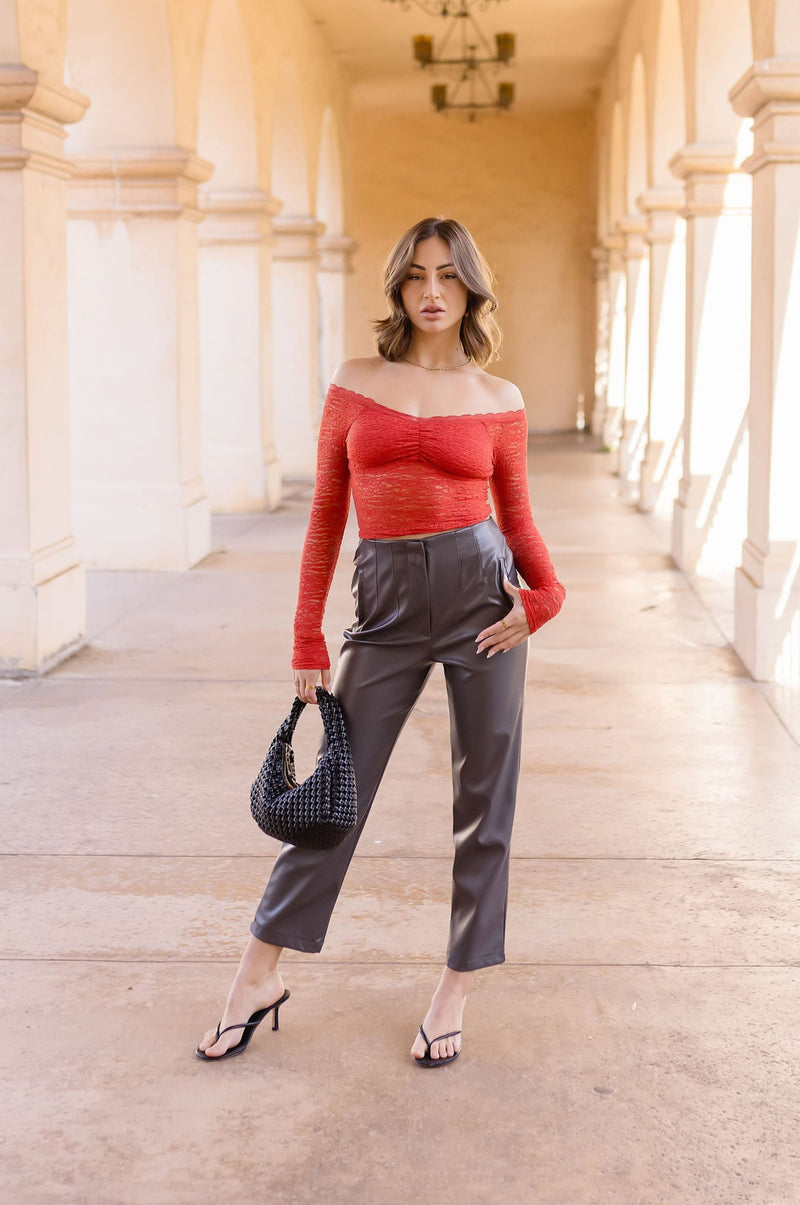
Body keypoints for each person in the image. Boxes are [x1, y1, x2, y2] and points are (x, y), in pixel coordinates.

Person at [196, 216, 566, 1067]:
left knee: (487, 800)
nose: (432, 290)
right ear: (397, 287)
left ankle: (457, 984)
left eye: (447, 275)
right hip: (387, 602)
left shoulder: (498, 399)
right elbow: (327, 511)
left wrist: (544, 597)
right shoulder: (357, 381)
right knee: (337, 794)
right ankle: (259, 972)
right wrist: (306, 634)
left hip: (485, 599)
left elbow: (519, 517)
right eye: (415, 275)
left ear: (470, 287)